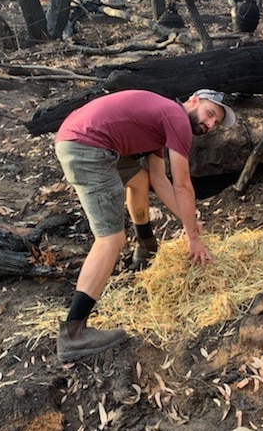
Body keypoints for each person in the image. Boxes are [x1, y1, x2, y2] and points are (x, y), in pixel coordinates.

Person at [54, 88, 236, 361]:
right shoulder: (176, 119)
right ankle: (73, 332)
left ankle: (147, 246)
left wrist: (191, 221)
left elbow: (158, 181)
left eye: (215, 123)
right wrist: (193, 239)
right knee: (111, 239)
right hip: (88, 147)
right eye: (210, 114)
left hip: (82, 137)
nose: (210, 124)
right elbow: (182, 184)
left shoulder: (161, 119)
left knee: (138, 180)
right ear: (194, 101)